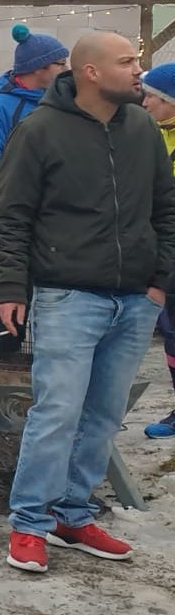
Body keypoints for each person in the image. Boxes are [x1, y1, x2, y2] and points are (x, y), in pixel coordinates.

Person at [0, 31, 175, 574]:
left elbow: (166, 208)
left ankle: (73, 512)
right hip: (68, 295)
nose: (139, 69)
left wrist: (159, 281)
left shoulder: (142, 127)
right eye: (127, 61)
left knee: (102, 416)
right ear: (91, 72)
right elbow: (11, 215)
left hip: (136, 299)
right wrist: (8, 289)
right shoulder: (40, 130)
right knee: (57, 412)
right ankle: (28, 522)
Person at [0, 26, 68, 344]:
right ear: (39, 68)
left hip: (55, 221)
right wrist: (41, 171)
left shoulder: (67, 105)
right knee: (9, 314)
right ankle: (2, 357)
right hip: (6, 218)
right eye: (61, 65)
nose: (68, 71)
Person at [141, 63, 175, 439]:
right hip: (162, 250)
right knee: (171, 333)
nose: (145, 102)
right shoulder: (152, 134)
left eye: (152, 96)